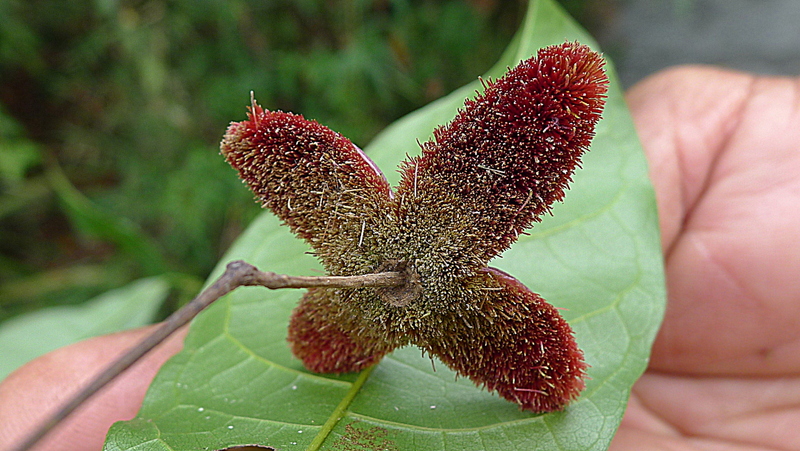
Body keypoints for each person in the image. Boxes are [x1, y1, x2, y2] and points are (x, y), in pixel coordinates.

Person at [1, 65, 799, 451]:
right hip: (371, 292)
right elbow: (321, 338)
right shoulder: (343, 304)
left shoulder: (454, 292)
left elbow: (550, 374)